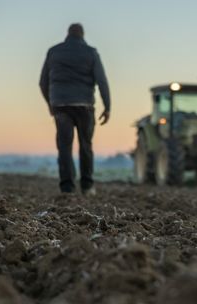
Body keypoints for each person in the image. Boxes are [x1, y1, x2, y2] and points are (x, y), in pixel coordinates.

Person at [39, 23, 111, 195]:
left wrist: (50, 103)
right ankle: (87, 186)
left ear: (68, 34)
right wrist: (107, 107)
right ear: (82, 35)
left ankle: (67, 187)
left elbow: (43, 82)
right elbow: (102, 81)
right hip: (84, 106)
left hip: (61, 106)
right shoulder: (91, 52)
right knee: (85, 145)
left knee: (64, 147)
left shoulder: (54, 52)